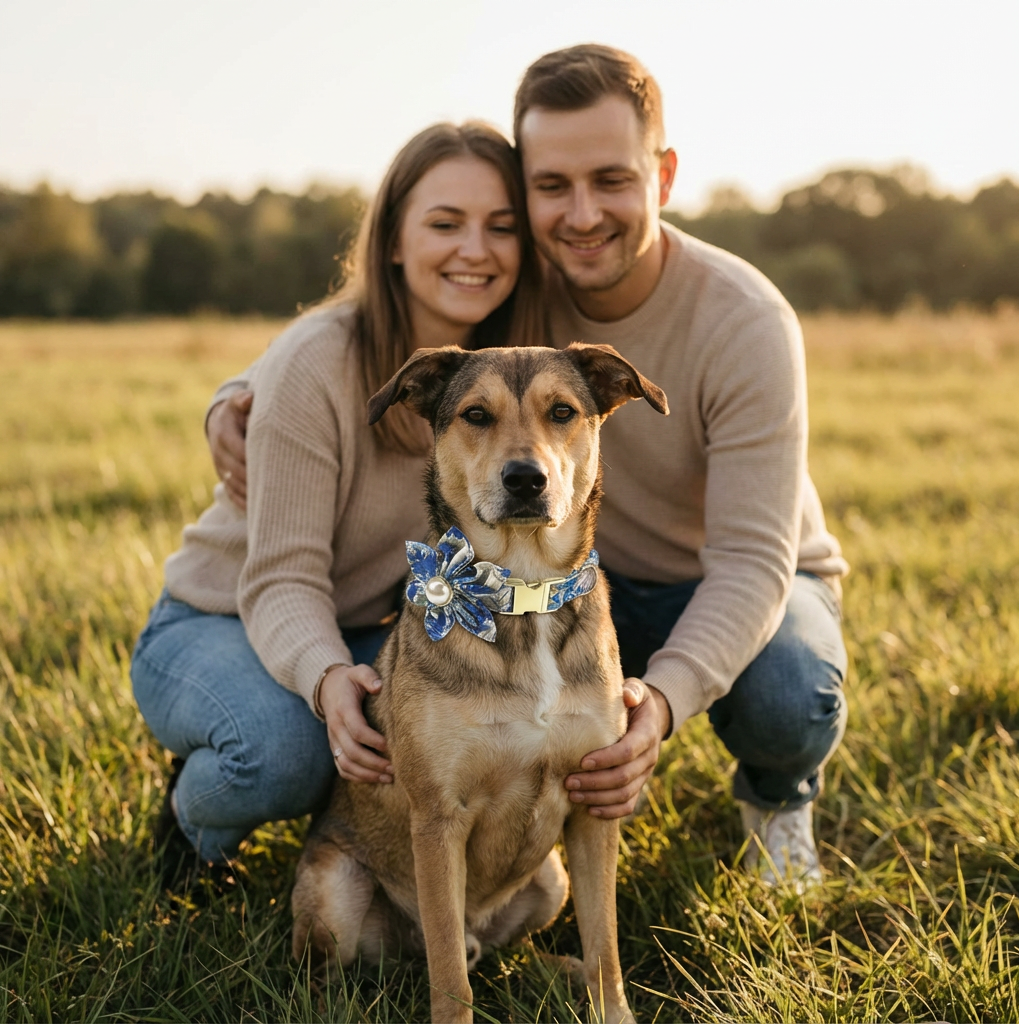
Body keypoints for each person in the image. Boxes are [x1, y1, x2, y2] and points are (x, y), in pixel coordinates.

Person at [206, 45, 850, 885]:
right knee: (375, 715)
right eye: (551, 187)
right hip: (553, 576)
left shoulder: (746, 320)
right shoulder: (511, 285)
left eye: (611, 180)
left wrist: (658, 704)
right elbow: (379, 321)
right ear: (528, 194)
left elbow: (754, 562)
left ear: (662, 176)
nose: (581, 215)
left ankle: (778, 798)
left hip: (717, 579)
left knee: (789, 689)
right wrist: (243, 391)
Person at [131, 121, 544, 870]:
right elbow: (281, 578)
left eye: (501, 227)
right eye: (445, 224)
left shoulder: (519, 364)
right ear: (392, 239)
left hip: (366, 627)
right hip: (221, 618)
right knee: (285, 754)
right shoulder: (318, 361)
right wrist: (328, 681)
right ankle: (190, 825)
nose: (475, 249)